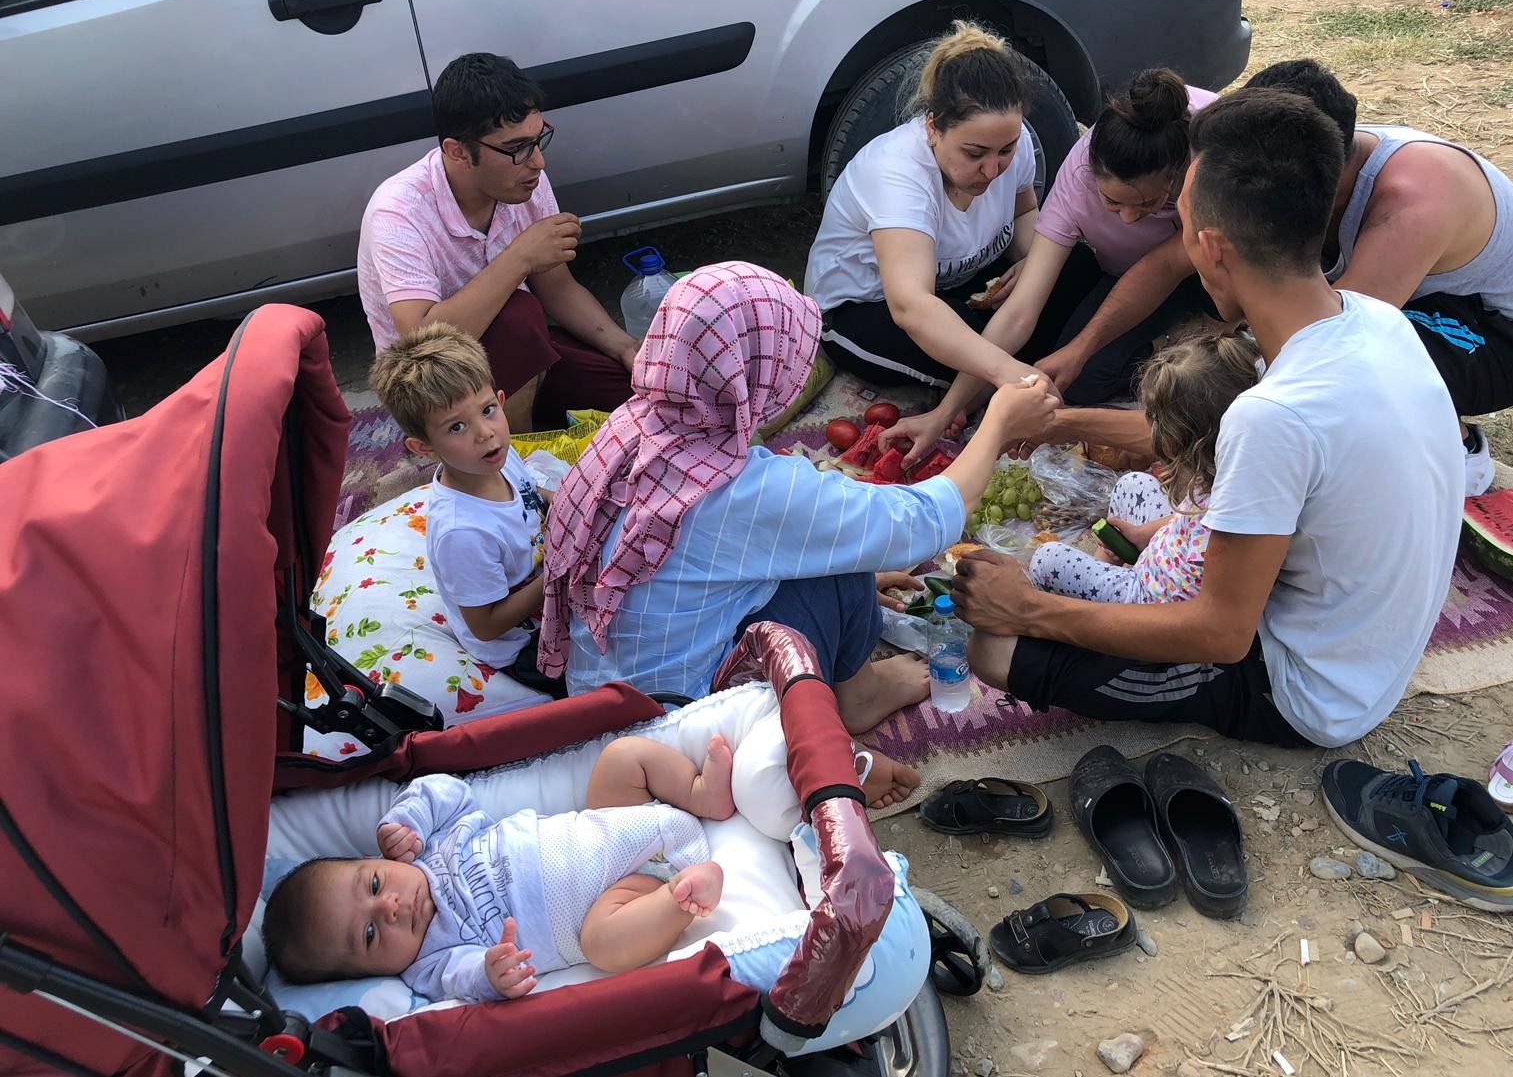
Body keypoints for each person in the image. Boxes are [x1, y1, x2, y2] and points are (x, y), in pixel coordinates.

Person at [952, 89, 1464, 750]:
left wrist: (1031, 610)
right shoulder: (1374, 321)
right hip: (1366, 658)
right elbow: (1194, 437)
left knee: (993, 650)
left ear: (1213, 248)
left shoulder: (1273, 417)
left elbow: (1220, 634)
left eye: (1182, 226)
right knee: (1144, 508)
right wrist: (1060, 423)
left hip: (1303, 691)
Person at [537, 261, 1058, 806]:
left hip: (601, 698)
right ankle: (852, 702)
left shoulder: (633, 423)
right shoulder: (745, 489)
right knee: (842, 544)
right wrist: (998, 423)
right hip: (686, 730)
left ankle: (850, 684)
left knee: (826, 540)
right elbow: (922, 522)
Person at [1025, 59, 1513, 495]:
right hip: (1396, 301)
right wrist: (1080, 349)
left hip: (1497, 332)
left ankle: (1455, 446)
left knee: (1323, 385)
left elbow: (1321, 351)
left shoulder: (1416, 200)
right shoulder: (1303, 164)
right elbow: (1167, 264)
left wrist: (1081, 424)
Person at [886, 69, 1220, 464]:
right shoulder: (1075, 181)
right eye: (1112, 203)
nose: (1130, 219)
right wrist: (948, 409)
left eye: (1150, 204)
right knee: (1085, 377)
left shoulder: (1211, 160)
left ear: (1181, 175)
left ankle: (1203, 325)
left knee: (1205, 345)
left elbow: (1166, 266)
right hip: (1134, 271)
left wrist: (1080, 348)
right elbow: (1019, 312)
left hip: (1205, 262)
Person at [261, 734, 737, 1000]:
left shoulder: (430, 844)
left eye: (373, 883)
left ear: (374, 858)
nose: (389, 907)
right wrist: (492, 975)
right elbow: (466, 982)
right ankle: (680, 897)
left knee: (620, 758)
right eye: (369, 935)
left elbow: (445, 790)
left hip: (614, 821)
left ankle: (700, 794)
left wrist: (406, 821)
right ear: (366, 973)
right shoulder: (430, 963)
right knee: (602, 945)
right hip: (624, 894)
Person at [357, 52, 635, 434]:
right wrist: (520, 257)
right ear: (458, 151)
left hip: (512, 356)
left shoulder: (524, 181)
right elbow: (420, 345)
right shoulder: (398, 211)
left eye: (538, 140)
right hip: (434, 386)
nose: (538, 162)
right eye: (518, 148)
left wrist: (625, 348)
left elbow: (558, 289)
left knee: (637, 393)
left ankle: (530, 421)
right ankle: (512, 458)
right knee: (520, 314)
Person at [803, 21, 1077, 393]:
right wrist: (1008, 371)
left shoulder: (1020, 140)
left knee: (1075, 267)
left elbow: (1024, 213)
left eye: (1006, 150)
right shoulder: (895, 173)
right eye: (975, 153)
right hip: (867, 307)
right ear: (933, 127)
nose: (992, 170)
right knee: (981, 339)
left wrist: (1032, 263)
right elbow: (911, 306)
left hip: (958, 282)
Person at [368, 322, 560, 693]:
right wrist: (558, 572)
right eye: (457, 427)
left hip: (546, 587)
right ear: (424, 447)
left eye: (487, 410)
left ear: (500, 400)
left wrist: (570, 503)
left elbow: (532, 493)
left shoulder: (498, 456)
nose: (485, 433)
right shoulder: (463, 532)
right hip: (522, 646)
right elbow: (486, 625)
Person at [1029, 332, 1257, 604]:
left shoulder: (1225, 517)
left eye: (1156, 421)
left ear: (1178, 439)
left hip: (1150, 597)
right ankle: (1106, 566)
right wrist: (1143, 535)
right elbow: (1185, 521)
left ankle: (1098, 600)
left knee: (1047, 559)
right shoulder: (1224, 472)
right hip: (1165, 553)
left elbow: (1203, 603)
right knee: (1133, 484)